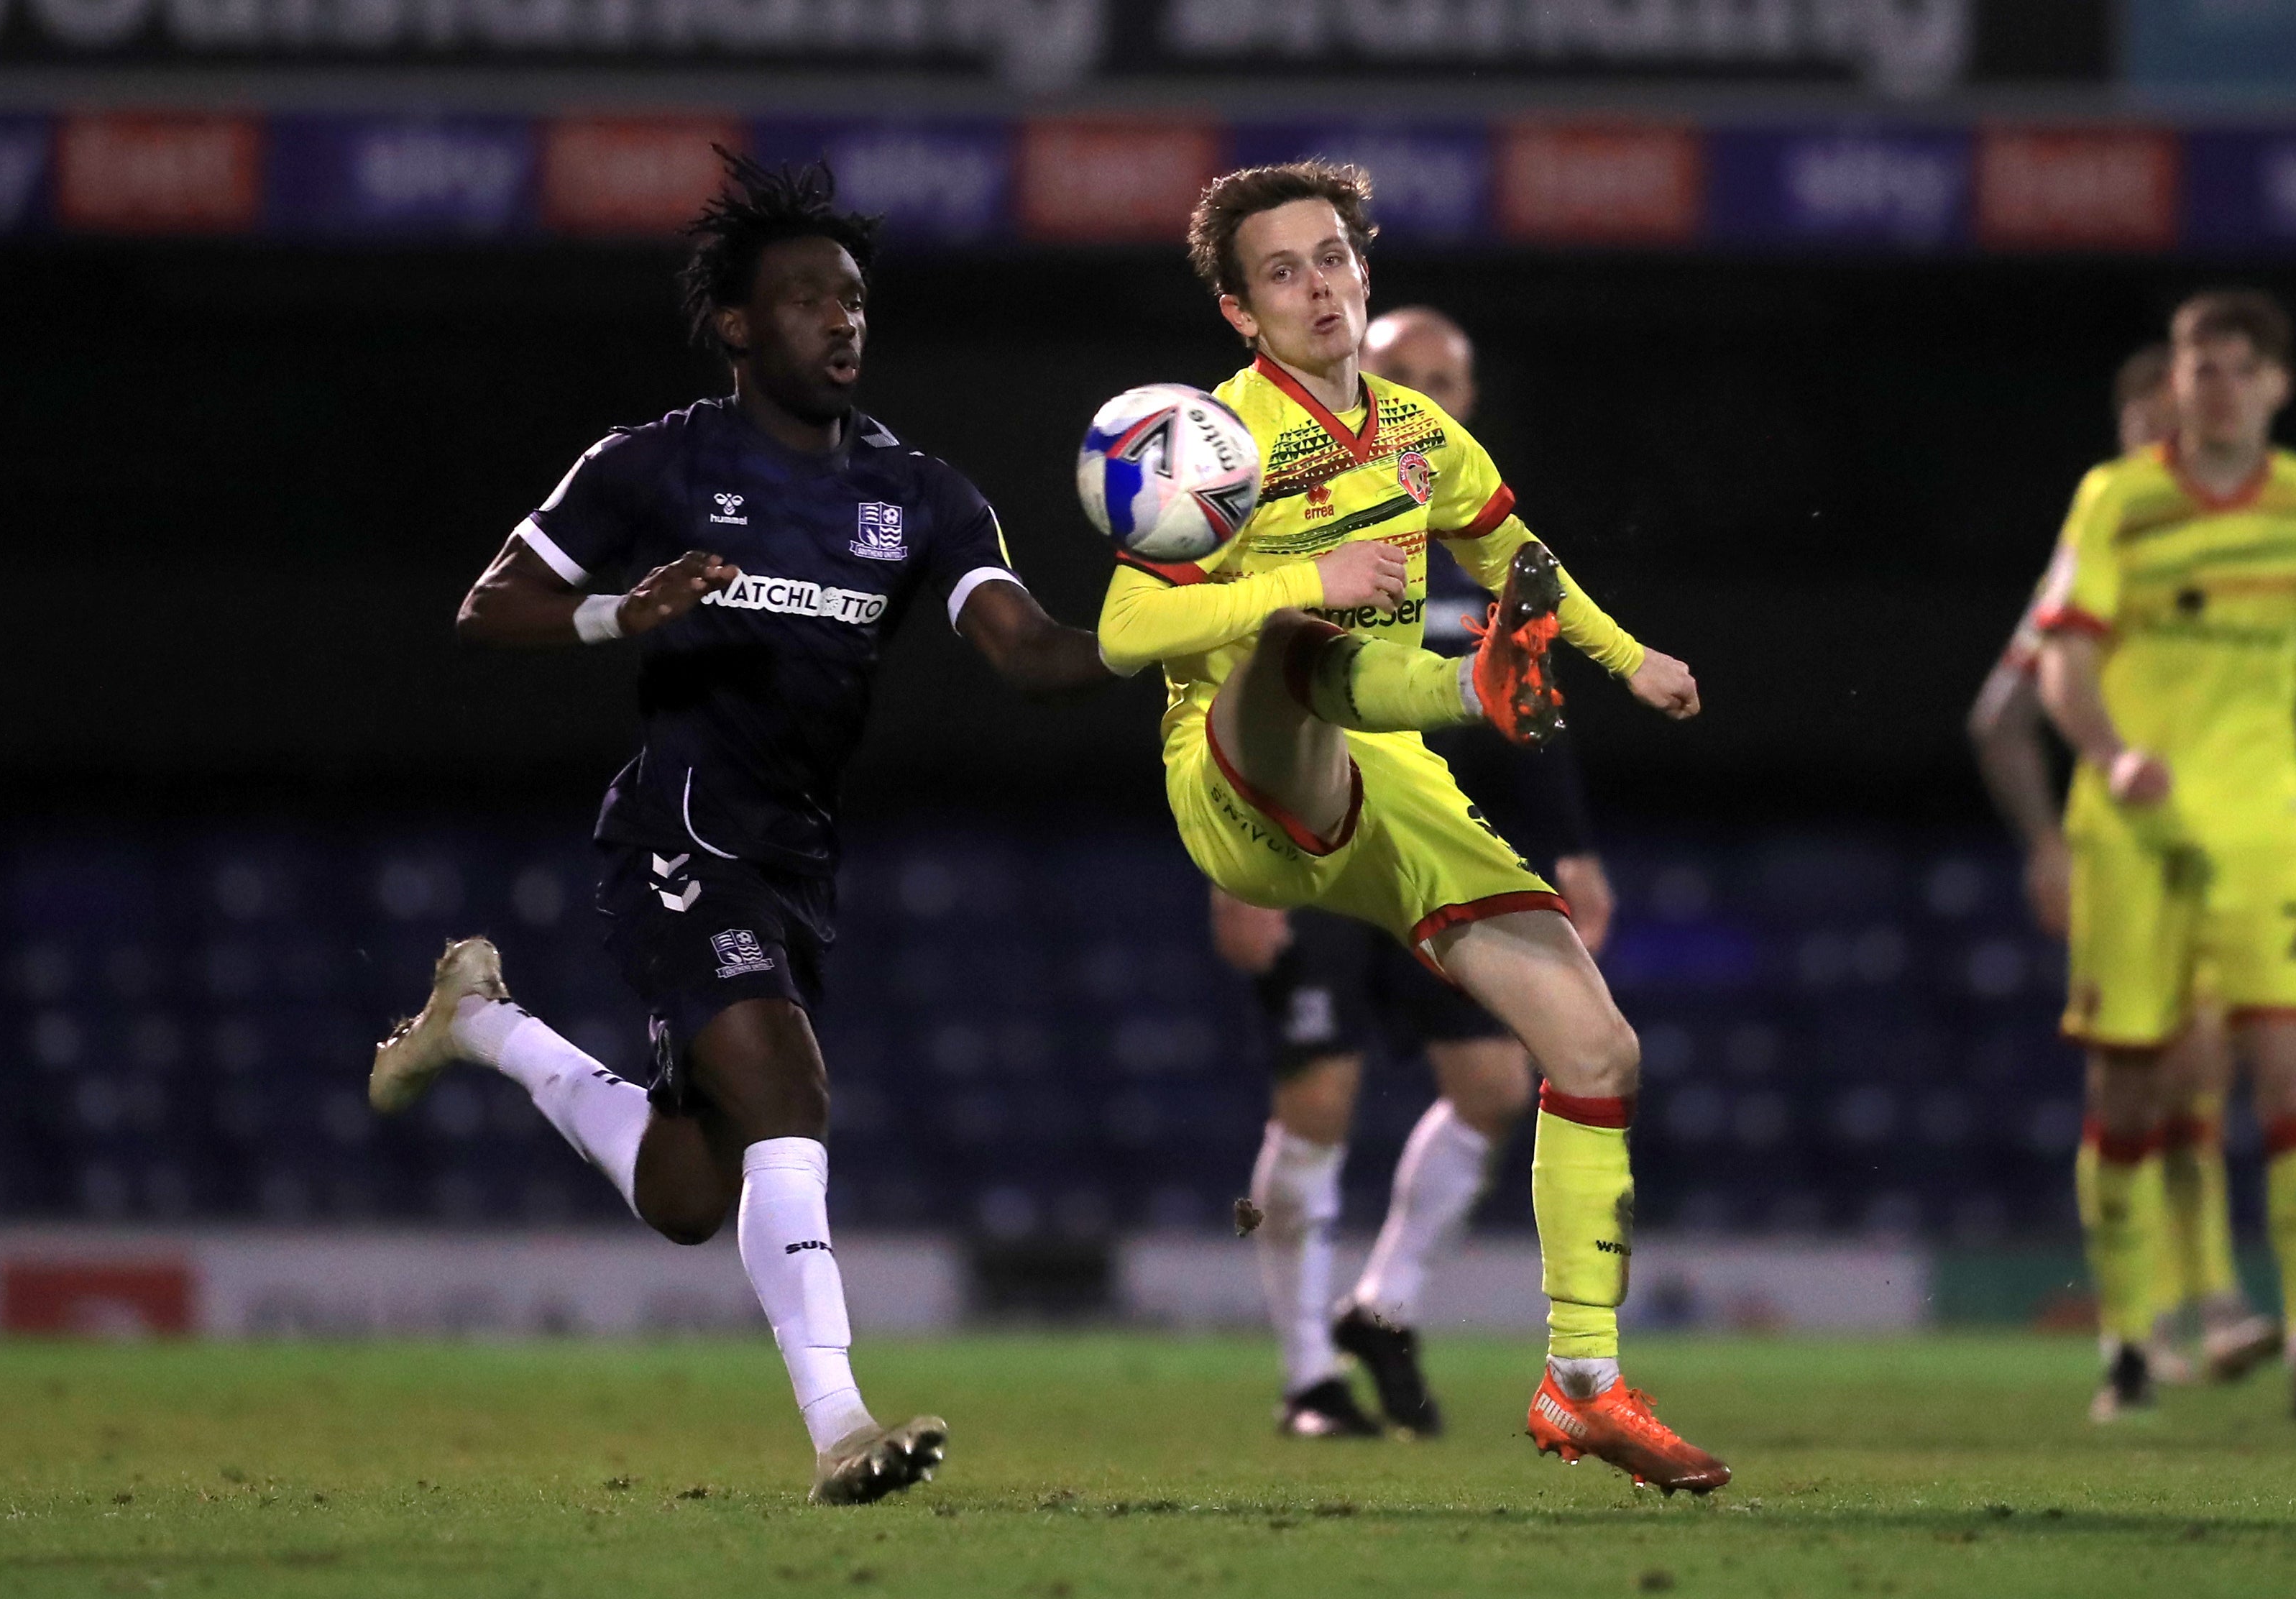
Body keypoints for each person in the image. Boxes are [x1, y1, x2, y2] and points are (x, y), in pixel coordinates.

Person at [367, 152, 1112, 1503]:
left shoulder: (922, 496)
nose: (843, 322)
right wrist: (621, 613)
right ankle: (840, 1426)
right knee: (789, 1086)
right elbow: (488, 607)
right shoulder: (655, 464)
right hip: (679, 826)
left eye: (856, 300)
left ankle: (481, 1025)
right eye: (810, 298)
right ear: (738, 325)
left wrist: (1209, 621)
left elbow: (1038, 654)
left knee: (690, 1193)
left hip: (797, 855)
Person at [1097, 160, 1727, 1493]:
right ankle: (1463, 685)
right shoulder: (1218, 440)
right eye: (1283, 272)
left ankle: (1584, 1385)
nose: (1317, 286)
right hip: (1241, 778)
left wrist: (1632, 660)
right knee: (1304, 640)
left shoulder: (1422, 436)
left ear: (1362, 271)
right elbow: (1123, 627)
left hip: (1395, 781)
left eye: (1332, 258)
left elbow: (1518, 559)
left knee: (1596, 1045)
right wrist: (1303, 574)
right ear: (1240, 312)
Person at [1211, 306, 1618, 1440]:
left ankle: (1381, 1309)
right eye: (1403, 372)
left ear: (1463, 406)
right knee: (1323, 1101)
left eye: (1447, 377)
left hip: (1435, 861)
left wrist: (1573, 848)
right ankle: (1307, 1381)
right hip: (1313, 853)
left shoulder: (1485, 554)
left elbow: (1535, 716)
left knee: (1493, 1091)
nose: (1425, 392)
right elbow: (1233, 686)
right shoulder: (1294, 528)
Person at [2033, 290, 2296, 1422]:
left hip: (2269, 834)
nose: (2205, 384)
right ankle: (2126, 1345)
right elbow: (2062, 665)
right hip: (2134, 837)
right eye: (2190, 364)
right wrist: (2111, 755)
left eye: (2230, 366)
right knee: (2127, 1095)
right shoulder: (2119, 500)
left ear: (2276, 384)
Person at [1969, 343, 2284, 1388]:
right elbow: (2001, 720)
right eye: (2151, 433)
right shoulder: (2093, 559)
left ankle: (2204, 1308)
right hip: (2126, 853)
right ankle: (2148, 1324)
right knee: (2144, 1084)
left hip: (2224, 850)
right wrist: (2049, 848)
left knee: (2200, 1072)